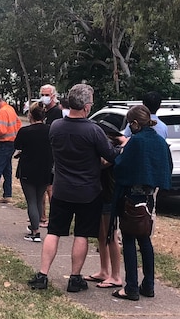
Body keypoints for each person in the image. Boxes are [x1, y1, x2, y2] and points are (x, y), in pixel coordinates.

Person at [27, 83, 126, 293]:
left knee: (54, 232)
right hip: (88, 190)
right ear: (87, 107)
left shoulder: (56, 127)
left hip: (62, 188)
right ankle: (74, 277)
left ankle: (42, 274)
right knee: (81, 234)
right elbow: (110, 155)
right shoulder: (93, 130)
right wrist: (122, 146)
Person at [111, 105, 172, 301]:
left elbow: (121, 167)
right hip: (150, 197)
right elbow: (167, 166)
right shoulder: (160, 142)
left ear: (135, 123)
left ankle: (131, 287)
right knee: (145, 238)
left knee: (128, 239)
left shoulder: (136, 142)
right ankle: (149, 284)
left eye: (130, 124)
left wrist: (118, 154)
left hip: (131, 197)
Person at [85, 121, 124, 289]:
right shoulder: (110, 146)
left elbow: (103, 162)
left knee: (111, 236)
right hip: (100, 194)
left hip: (109, 195)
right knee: (102, 235)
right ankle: (104, 270)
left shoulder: (111, 149)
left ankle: (116, 275)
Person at [14, 102, 53, 242]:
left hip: (28, 169)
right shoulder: (51, 130)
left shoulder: (25, 131)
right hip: (45, 169)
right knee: (38, 197)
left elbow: (17, 146)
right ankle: (35, 223)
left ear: (30, 115)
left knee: (31, 200)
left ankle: (35, 231)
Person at [40, 84, 61, 226]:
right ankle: (41, 216)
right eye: (42, 94)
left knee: (49, 187)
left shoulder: (56, 113)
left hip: (51, 155)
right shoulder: (42, 111)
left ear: (53, 96)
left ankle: (53, 218)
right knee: (41, 186)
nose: (44, 97)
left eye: (47, 95)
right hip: (41, 153)